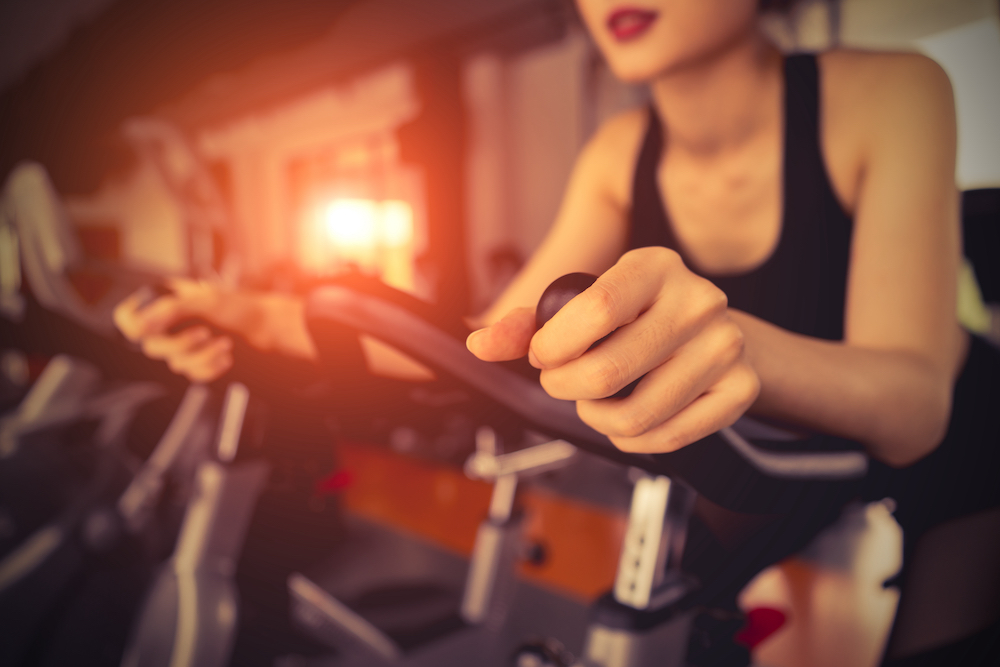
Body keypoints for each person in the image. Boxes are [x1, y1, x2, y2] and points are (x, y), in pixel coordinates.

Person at [114, 0, 999, 663]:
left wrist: (736, 337)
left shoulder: (890, 93)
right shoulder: (618, 150)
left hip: (959, 446)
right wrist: (260, 319)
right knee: (676, 625)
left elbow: (914, 400)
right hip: (752, 438)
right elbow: (490, 339)